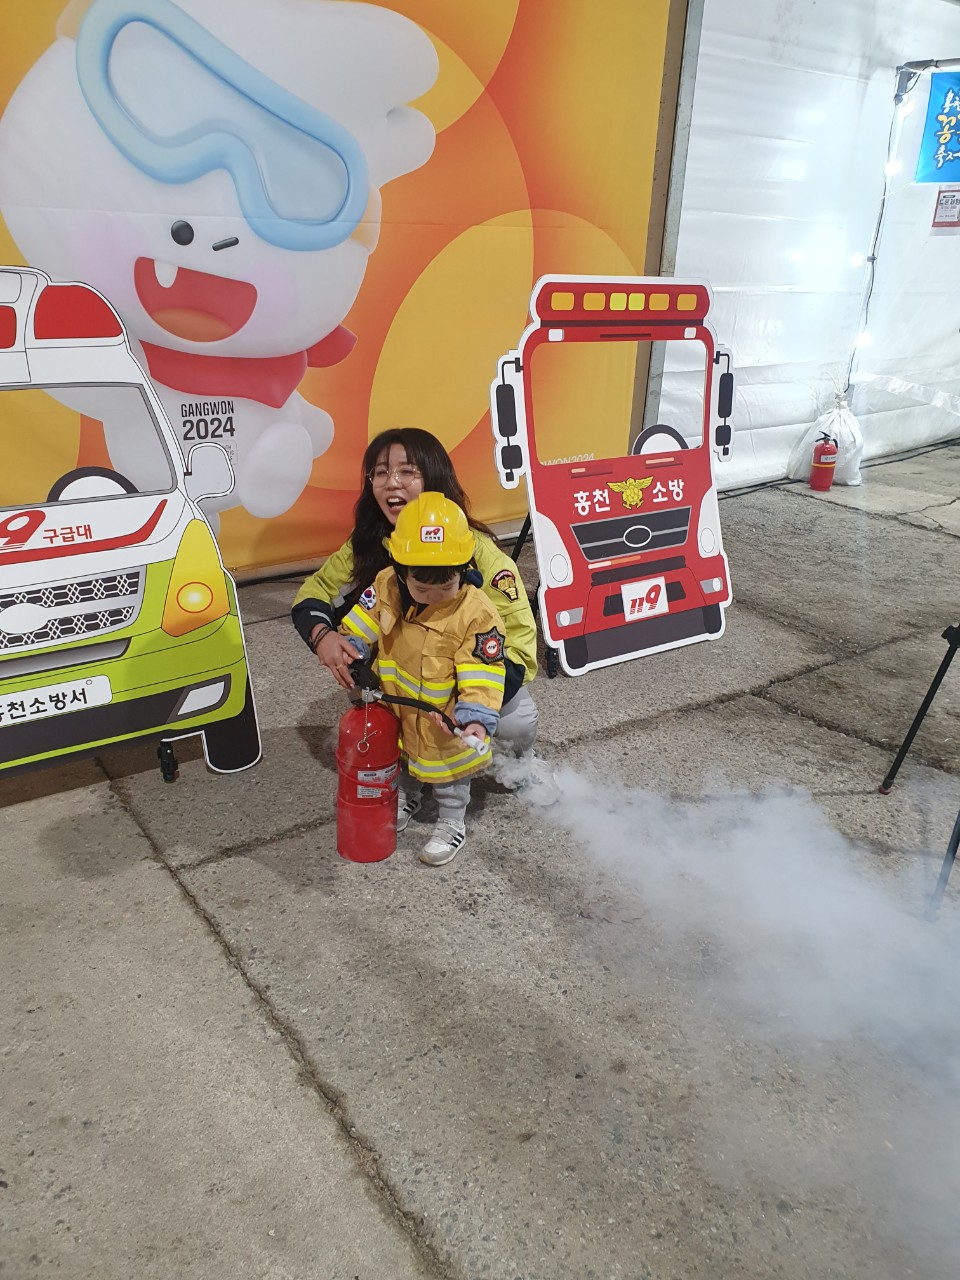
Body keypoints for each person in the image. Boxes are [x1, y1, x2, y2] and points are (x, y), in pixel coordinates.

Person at [291, 427, 539, 756]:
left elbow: (520, 647)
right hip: (398, 679)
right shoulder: (367, 543)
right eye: (381, 472)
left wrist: (471, 703)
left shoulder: (475, 550)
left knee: (515, 723)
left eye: (407, 471)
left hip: (461, 679)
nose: (392, 482)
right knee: (374, 716)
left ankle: (520, 764)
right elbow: (316, 591)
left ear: (434, 479)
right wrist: (322, 636)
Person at [339, 493, 506, 866]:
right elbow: (363, 622)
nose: (434, 597)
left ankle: (451, 822)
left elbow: (484, 671)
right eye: (422, 588)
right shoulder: (386, 585)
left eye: (445, 587)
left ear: (464, 568)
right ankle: (408, 797)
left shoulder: (476, 614)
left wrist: (476, 718)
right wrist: (351, 646)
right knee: (402, 759)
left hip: (444, 719)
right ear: (400, 569)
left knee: (449, 775)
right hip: (397, 707)